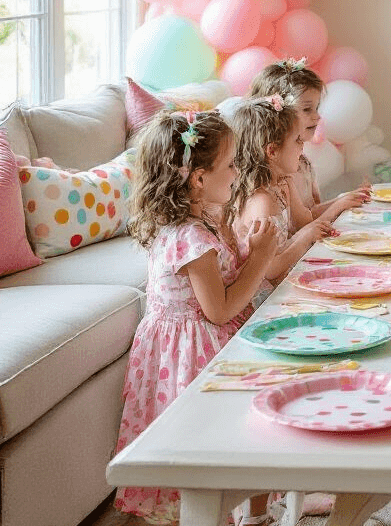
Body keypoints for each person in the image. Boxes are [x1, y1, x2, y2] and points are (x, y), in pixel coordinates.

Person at [113, 110, 276, 525]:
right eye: (232, 164)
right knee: (208, 444)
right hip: (192, 351)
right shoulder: (189, 236)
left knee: (248, 429)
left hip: (213, 335)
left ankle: (257, 512)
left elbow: (227, 285)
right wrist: (261, 257)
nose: (239, 171)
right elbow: (218, 308)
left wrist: (248, 249)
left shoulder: (210, 218)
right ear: (199, 178)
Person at [229, 95, 337, 285]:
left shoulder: (276, 187)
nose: (302, 147)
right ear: (272, 151)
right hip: (265, 299)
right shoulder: (262, 201)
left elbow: (298, 228)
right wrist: (305, 236)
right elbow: (269, 269)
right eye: (297, 141)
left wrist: (307, 230)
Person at [249, 59, 370, 224]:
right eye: (307, 109)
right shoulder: (274, 172)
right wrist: (339, 205)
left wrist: (346, 199)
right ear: (278, 114)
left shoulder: (303, 163)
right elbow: (303, 226)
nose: (317, 116)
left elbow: (311, 213)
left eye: (317, 108)